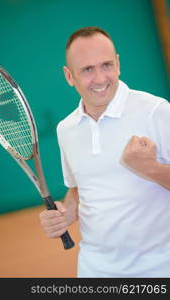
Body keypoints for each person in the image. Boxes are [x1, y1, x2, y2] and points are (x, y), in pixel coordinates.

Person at [40, 26, 170, 277]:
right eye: (87, 69)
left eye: (106, 65)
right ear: (69, 76)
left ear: (118, 64)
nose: (100, 79)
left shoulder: (156, 111)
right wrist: (64, 216)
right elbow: (80, 189)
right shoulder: (66, 129)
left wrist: (150, 168)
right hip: (95, 270)